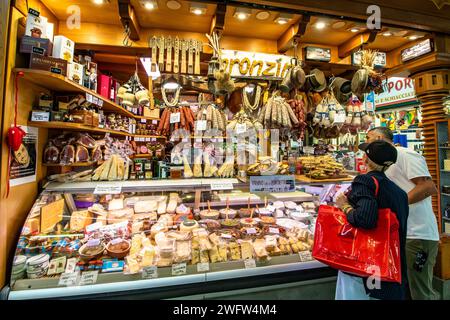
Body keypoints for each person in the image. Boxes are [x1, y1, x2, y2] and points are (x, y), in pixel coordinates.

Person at [366, 127, 440, 300]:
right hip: (400, 233)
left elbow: (428, 187)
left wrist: (398, 204)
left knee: (419, 291)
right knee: (404, 290)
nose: (366, 143)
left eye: (369, 138)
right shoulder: (385, 162)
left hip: (417, 235)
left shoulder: (404, 154)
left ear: (379, 138)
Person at [335, 140, 409, 300]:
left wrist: (344, 206)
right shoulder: (400, 193)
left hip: (364, 267)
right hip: (389, 266)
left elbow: (365, 219)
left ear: (366, 159)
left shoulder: (365, 181)